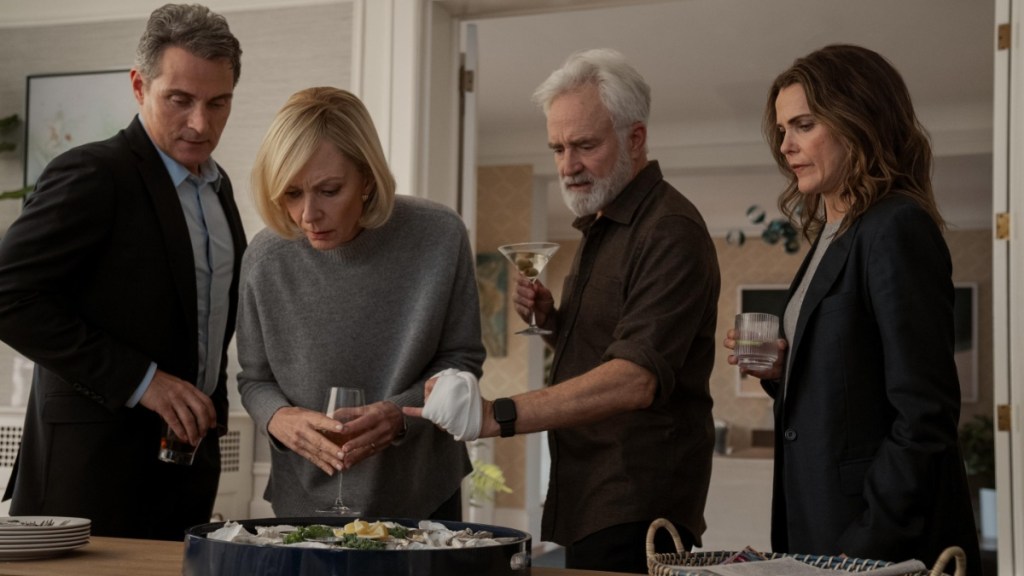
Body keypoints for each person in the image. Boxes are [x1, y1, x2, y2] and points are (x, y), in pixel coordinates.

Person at [408, 48, 720, 573]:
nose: (567, 166)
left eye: (584, 145)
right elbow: (612, 346)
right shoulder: (605, 224)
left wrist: (495, 415)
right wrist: (556, 323)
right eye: (556, 148)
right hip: (589, 493)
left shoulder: (669, 230)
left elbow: (635, 379)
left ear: (635, 139)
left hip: (636, 502)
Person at [724, 44, 981, 572]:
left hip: (874, 541)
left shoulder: (895, 228)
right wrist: (782, 369)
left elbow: (925, 415)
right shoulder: (830, 236)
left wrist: (862, 545)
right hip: (819, 522)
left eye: (803, 125)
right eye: (781, 129)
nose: (785, 145)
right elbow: (851, 379)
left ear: (857, 122)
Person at [0, 4, 245, 540]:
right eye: (179, 100)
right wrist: (144, 381)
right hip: (88, 475)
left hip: (187, 474)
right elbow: (8, 298)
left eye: (217, 103)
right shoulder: (93, 172)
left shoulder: (220, 191)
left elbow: (207, 325)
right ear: (139, 86)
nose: (200, 124)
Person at [236, 86, 485, 520]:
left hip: (422, 494)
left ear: (367, 178)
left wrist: (398, 415)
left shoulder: (439, 236)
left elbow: (462, 358)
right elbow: (254, 380)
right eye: (291, 194)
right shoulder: (265, 259)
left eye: (329, 190)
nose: (308, 215)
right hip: (305, 503)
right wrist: (280, 419)